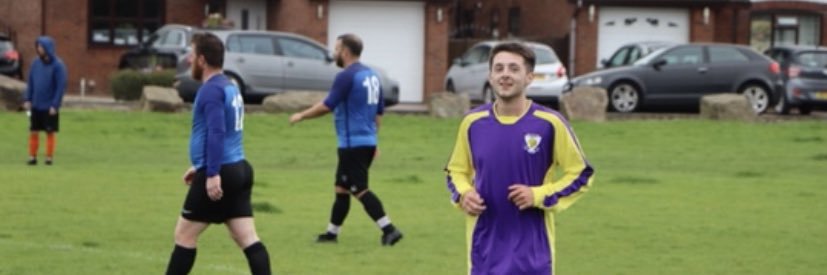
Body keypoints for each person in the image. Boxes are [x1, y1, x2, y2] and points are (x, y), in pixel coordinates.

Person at [444, 42, 595, 274]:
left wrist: (538, 195)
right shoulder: (472, 123)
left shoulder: (550, 123)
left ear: (529, 77)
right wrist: (464, 194)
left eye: (514, 69)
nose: (505, 75)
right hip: (484, 252)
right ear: (490, 76)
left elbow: (581, 174)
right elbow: (455, 171)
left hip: (533, 255)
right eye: (499, 68)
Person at [164, 33, 271, 275]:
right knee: (247, 237)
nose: (188, 59)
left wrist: (211, 172)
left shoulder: (211, 90)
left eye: (192, 54)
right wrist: (201, 164)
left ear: (201, 60)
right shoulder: (230, 86)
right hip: (239, 168)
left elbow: (217, 131)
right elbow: (230, 131)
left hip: (221, 171)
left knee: (184, 235)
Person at [289, 33, 403, 246]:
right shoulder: (372, 75)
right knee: (341, 188)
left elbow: (327, 105)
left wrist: (301, 115)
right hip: (365, 142)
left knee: (359, 189)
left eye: (336, 49)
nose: (334, 53)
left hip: (352, 145)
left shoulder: (346, 76)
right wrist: (374, 141)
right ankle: (331, 234)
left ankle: (389, 229)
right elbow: (379, 113)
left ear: (345, 52)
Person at [23, 36, 67, 166]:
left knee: (49, 131)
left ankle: (49, 158)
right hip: (36, 104)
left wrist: (55, 104)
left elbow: (60, 87)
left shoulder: (58, 66)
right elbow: (30, 82)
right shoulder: (35, 63)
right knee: (34, 130)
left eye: (41, 47)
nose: (38, 49)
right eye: (37, 47)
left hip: (49, 106)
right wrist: (28, 98)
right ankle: (32, 157)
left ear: (48, 48)